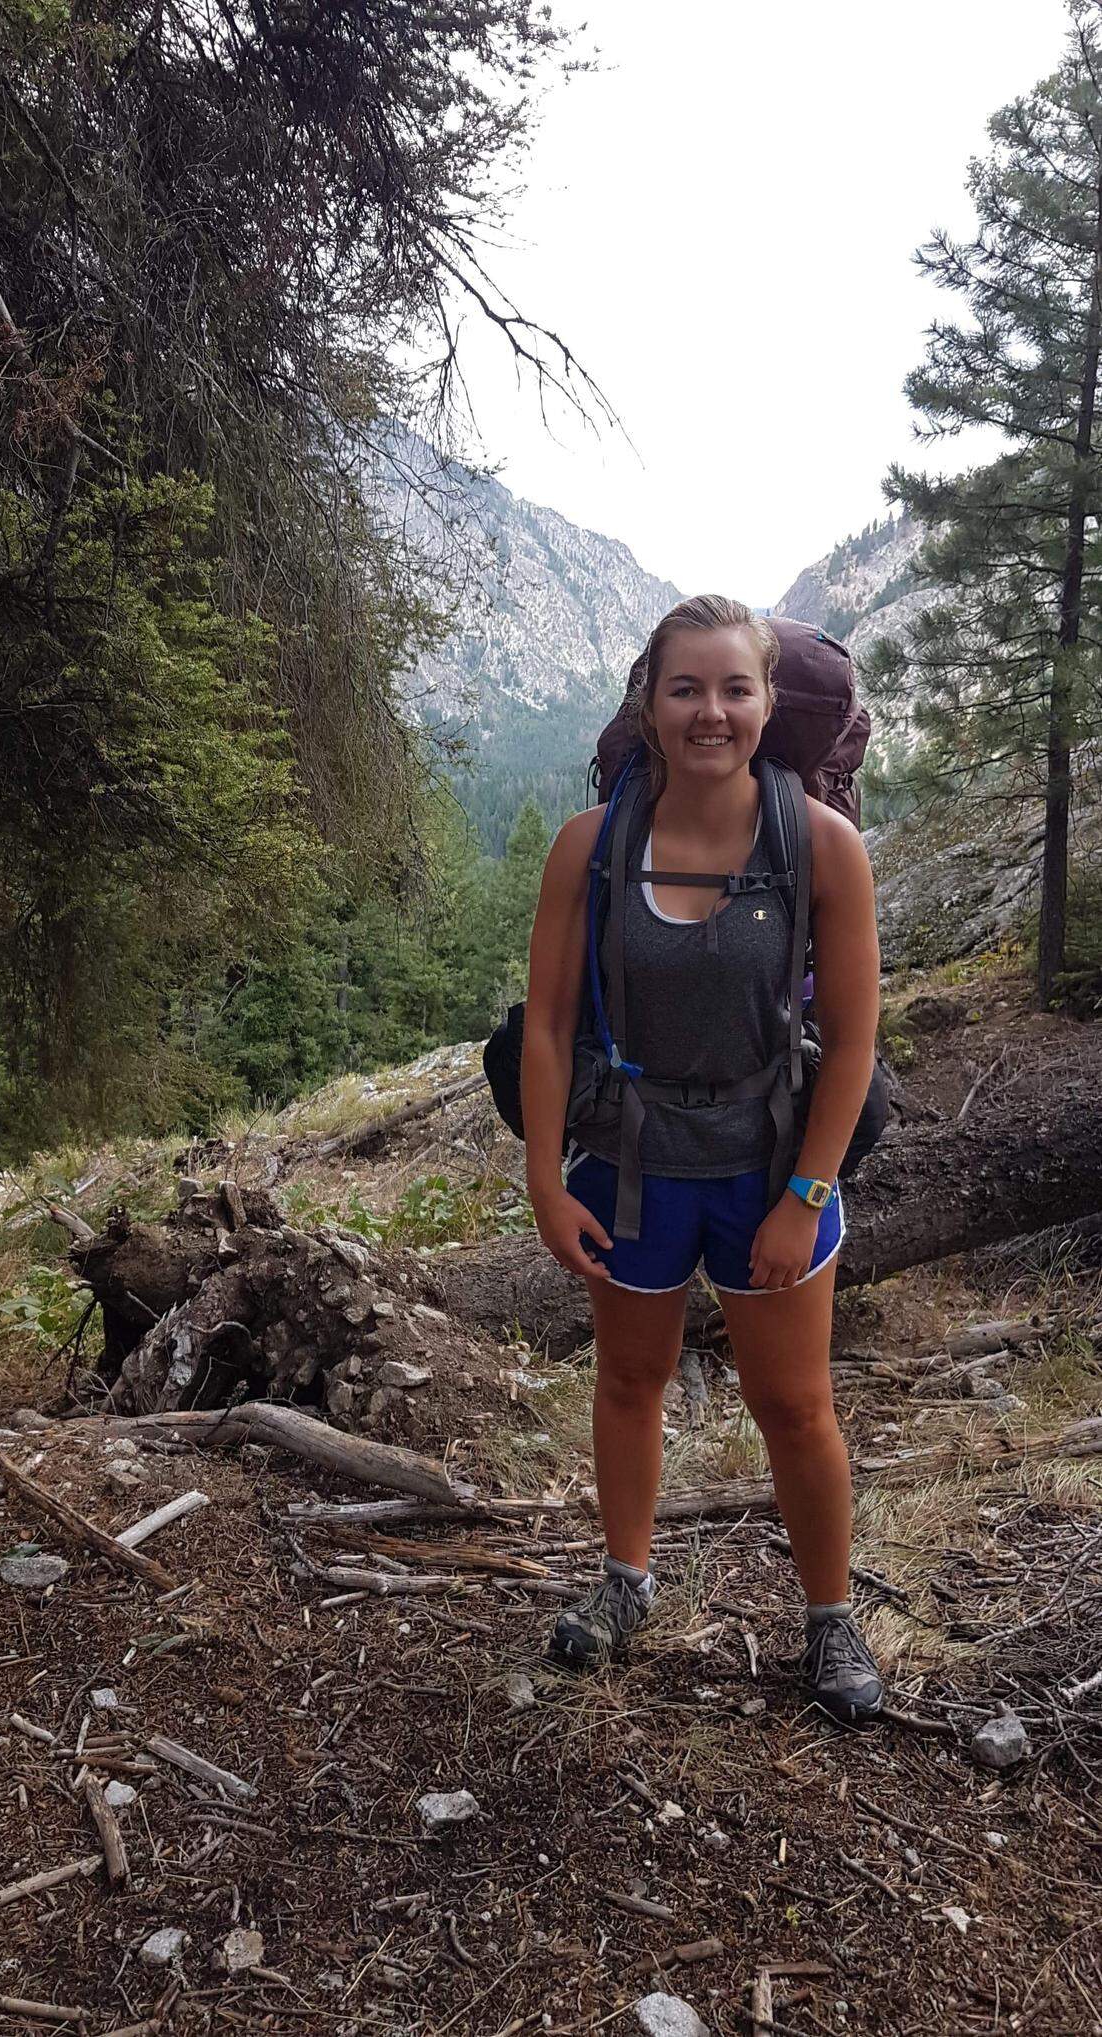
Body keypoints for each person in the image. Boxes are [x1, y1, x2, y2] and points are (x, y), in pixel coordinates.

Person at [520, 594, 884, 1724]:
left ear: (768, 704)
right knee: (630, 1381)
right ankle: (626, 1581)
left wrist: (805, 1197)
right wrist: (544, 1181)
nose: (710, 712)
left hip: (768, 1164)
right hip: (629, 1164)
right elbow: (546, 1026)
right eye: (685, 689)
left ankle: (829, 1618)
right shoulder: (591, 847)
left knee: (794, 1402)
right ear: (651, 704)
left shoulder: (819, 845)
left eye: (734, 688)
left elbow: (854, 1043)